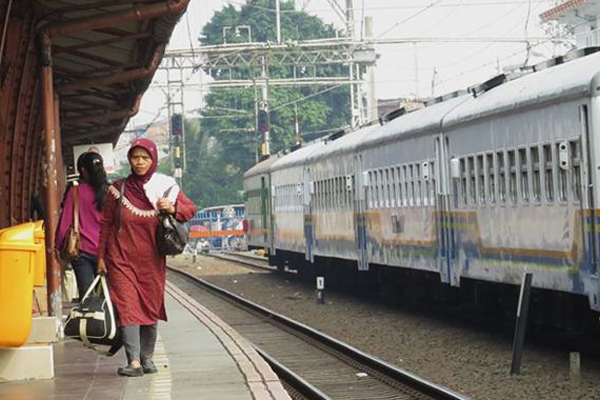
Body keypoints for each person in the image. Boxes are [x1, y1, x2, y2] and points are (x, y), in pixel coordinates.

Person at [97, 138, 196, 377]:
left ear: (153, 160)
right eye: (135, 157)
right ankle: (133, 362)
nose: (140, 162)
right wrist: (100, 256)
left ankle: (147, 358)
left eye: (145, 158)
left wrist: (172, 209)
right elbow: (106, 224)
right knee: (128, 307)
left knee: (150, 308)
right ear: (129, 160)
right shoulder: (116, 189)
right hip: (120, 259)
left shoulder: (165, 187)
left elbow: (190, 209)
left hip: (152, 261)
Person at [55, 152, 109, 299]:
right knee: (110, 299)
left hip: (83, 252)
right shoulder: (111, 192)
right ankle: (108, 321)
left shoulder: (75, 191)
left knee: (87, 299)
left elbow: (65, 223)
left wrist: (59, 249)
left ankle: (90, 320)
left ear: (83, 171)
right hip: (108, 252)